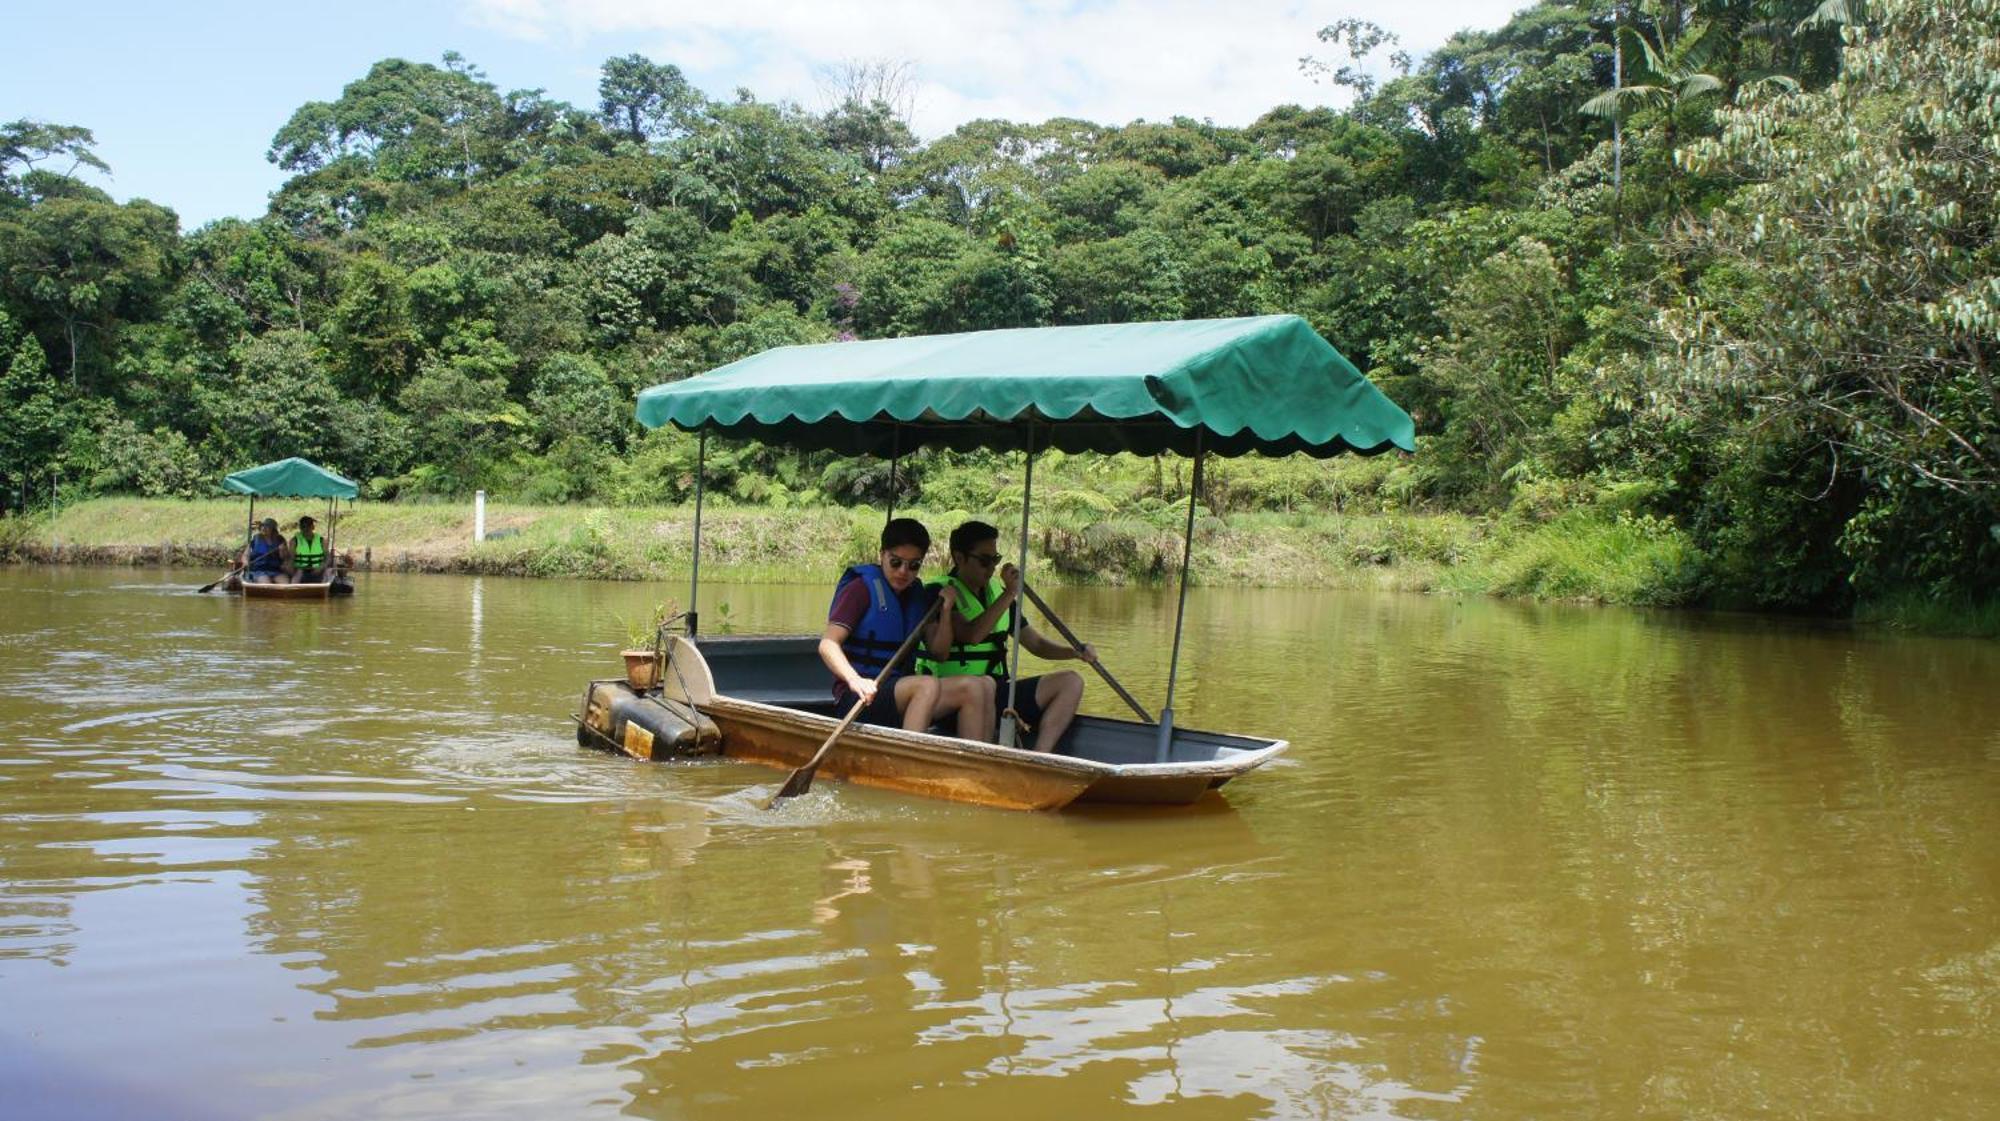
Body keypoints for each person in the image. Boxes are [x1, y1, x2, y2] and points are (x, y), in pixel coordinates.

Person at [919, 520, 1097, 753]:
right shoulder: (940, 593)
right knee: (981, 687)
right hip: (953, 698)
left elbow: (1036, 644)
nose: (991, 568)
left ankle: (1040, 756)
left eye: (995, 559)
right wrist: (1010, 593)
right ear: (959, 558)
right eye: (984, 561)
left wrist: (1074, 651)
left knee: (1071, 681)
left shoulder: (997, 595)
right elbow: (972, 634)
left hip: (996, 692)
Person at [819, 518, 993, 735]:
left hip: (901, 693)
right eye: (895, 562)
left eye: (913, 565)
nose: (903, 572)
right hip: (859, 697)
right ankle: (907, 762)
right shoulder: (860, 589)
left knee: (979, 686)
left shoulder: (916, 595)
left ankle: (975, 765)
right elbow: (828, 644)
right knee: (926, 685)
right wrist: (856, 680)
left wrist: (947, 611)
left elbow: (939, 652)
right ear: (882, 554)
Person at [239, 518, 290, 584]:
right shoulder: (256, 539)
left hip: (275, 570)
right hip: (259, 570)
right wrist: (245, 563)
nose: (264, 528)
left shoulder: (280, 539)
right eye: (263, 526)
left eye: (267, 526)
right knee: (266, 583)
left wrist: (282, 550)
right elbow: (245, 555)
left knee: (286, 583)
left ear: (273, 529)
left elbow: (284, 557)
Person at [289, 515, 329, 584]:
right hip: (301, 570)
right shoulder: (294, 541)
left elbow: (328, 558)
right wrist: (293, 571)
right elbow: (291, 560)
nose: (305, 529)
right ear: (300, 528)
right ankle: (293, 589)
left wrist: (321, 567)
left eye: (308, 526)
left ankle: (322, 588)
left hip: (318, 569)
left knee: (326, 573)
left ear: (313, 527)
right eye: (303, 527)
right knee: (298, 574)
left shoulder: (322, 541)